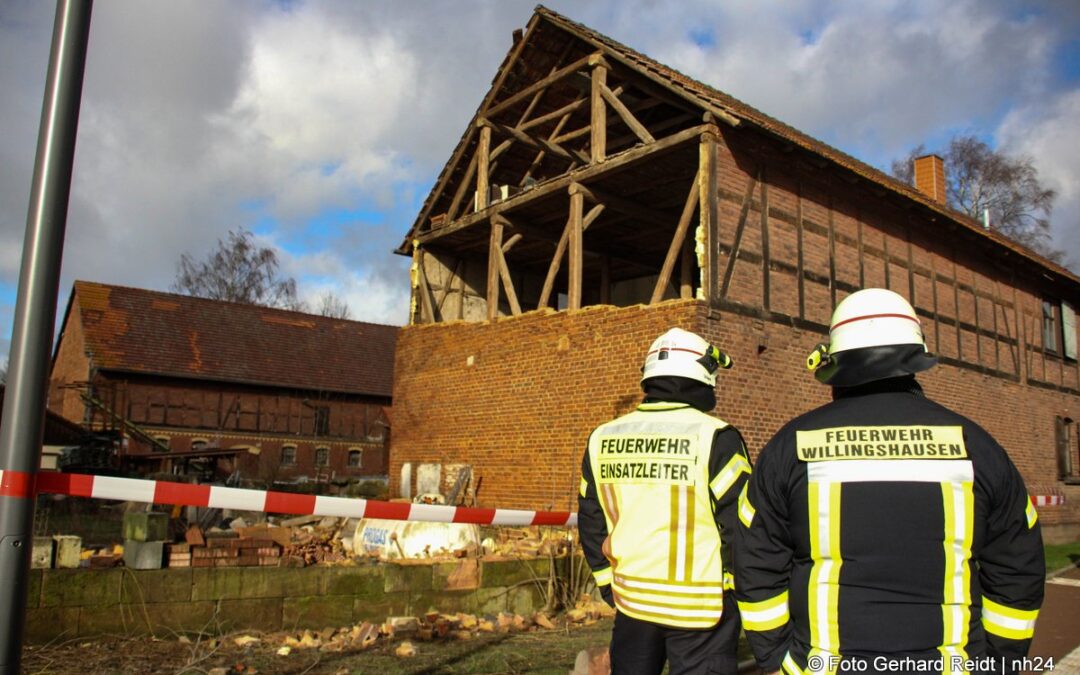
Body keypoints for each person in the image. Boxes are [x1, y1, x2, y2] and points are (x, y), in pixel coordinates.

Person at [735, 288, 1044, 675]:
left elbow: (756, 562)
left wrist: (776, 657)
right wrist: (998, 662)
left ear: (835, 367)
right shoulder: (977, 446)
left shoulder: (789, 447)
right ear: (915, 359)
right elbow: (1018, 567)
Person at [578, 327, 751, 674]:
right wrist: (737, 591)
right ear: (704, 378)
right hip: (702, 610)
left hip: (633, 603)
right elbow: (742, 525)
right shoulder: (716, 437)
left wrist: (609, 586)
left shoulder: (603, 437)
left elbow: (591, 521)